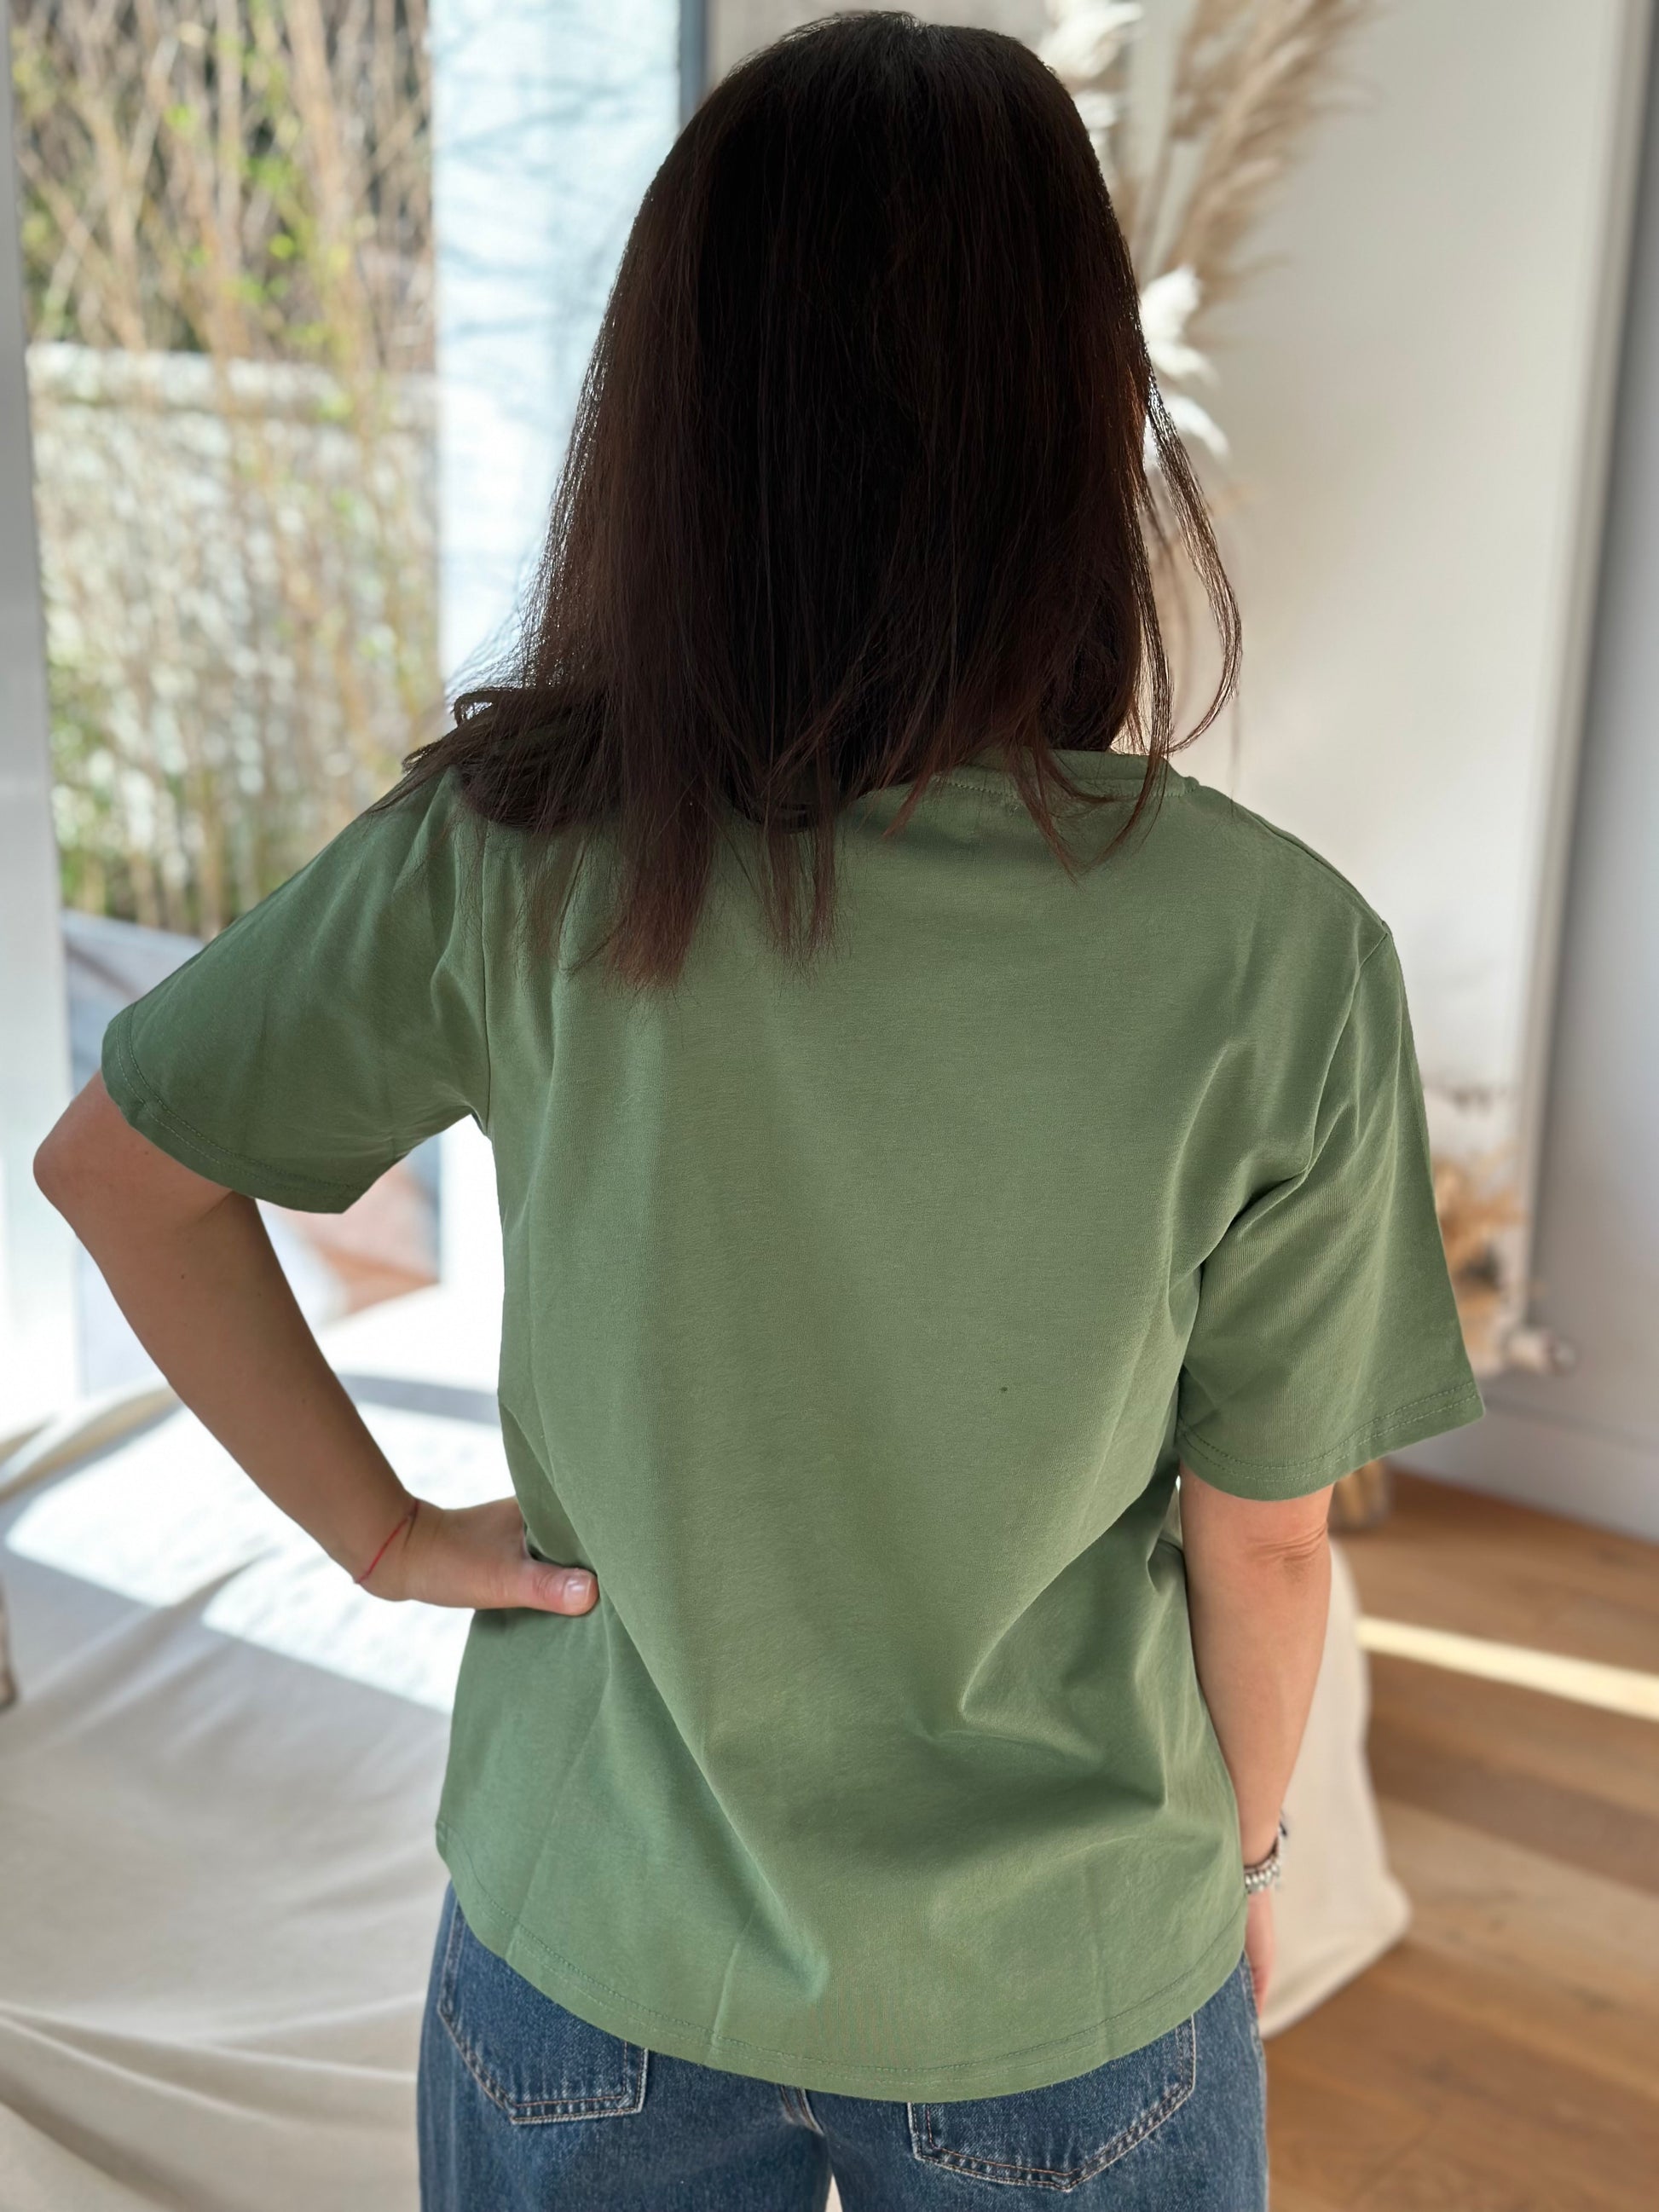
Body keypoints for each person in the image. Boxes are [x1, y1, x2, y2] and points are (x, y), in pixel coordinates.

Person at [34, 14, 1484, 2209]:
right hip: (1062, 1983)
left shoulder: (510, 853)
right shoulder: (1273, 951)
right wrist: (1245, 1855)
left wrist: (386, 1538)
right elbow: (1265, 1536)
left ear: (676, 409)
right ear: (1077, 414)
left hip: (584, 1957)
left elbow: (119, 1168)